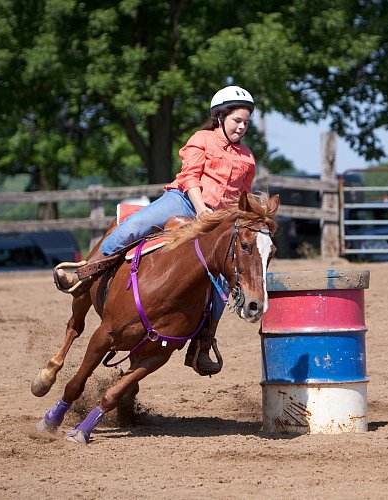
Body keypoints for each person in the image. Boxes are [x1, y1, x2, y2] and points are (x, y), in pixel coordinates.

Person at [63, 85, 257, 375]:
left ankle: (202, 344)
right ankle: (87, 271)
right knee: (134, 226)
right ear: (220, 117)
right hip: (183, 202)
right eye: (236, 120)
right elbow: (191, 177)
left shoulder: (247, 159)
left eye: (246, 122)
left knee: (222, 287)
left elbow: (242, 197)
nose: (241, 127)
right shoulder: (202, 139)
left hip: (217, 222)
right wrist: (201, 207)